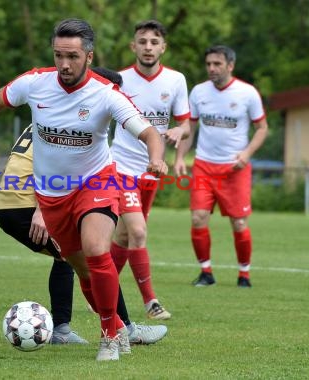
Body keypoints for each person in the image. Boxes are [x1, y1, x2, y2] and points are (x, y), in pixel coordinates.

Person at [0, 19, 167, 361]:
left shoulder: (106, 94)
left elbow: (149, 132)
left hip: (97, 181)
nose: (65, 64)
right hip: (52, 196)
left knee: (96, 249)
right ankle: (119, 326)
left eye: (73, 56)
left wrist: (156, 157)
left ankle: (110, 334)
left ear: (89, 57)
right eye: (59, 55)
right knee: (82, 270)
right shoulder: (35, 83)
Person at [0, 121, 167, 347]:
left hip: (6, 204)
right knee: (94, 260)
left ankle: (62, 330)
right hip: (27, 203)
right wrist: (41, 209)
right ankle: (127, 328)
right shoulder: (70, 119)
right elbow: (53, 165)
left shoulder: (47, 112)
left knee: (69, 256)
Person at [109, 20, 191, 320]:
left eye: (154, 42)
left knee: (123, 237)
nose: (148, 47)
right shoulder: (119, 80)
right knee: (139, 232)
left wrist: (178, 135)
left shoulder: (176, 80)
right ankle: (151, 302)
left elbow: (186, 124)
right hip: (122, 168)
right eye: (142, 41)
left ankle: (100, 290)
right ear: (133, 46)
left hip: (153, 172)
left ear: (163, 47)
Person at [172, 45, 268, 288]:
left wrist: (246, 154)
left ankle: (244, 275)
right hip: (204, 166)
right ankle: (206, 273)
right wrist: (181, 158)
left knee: (238, 222)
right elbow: (189, 129)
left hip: (234, 169)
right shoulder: (199, 92)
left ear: (230, 66)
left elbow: (262, 128)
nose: (212, 68)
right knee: (198, 218)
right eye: (208, 64)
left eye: (217, 64)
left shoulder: (247, 93)